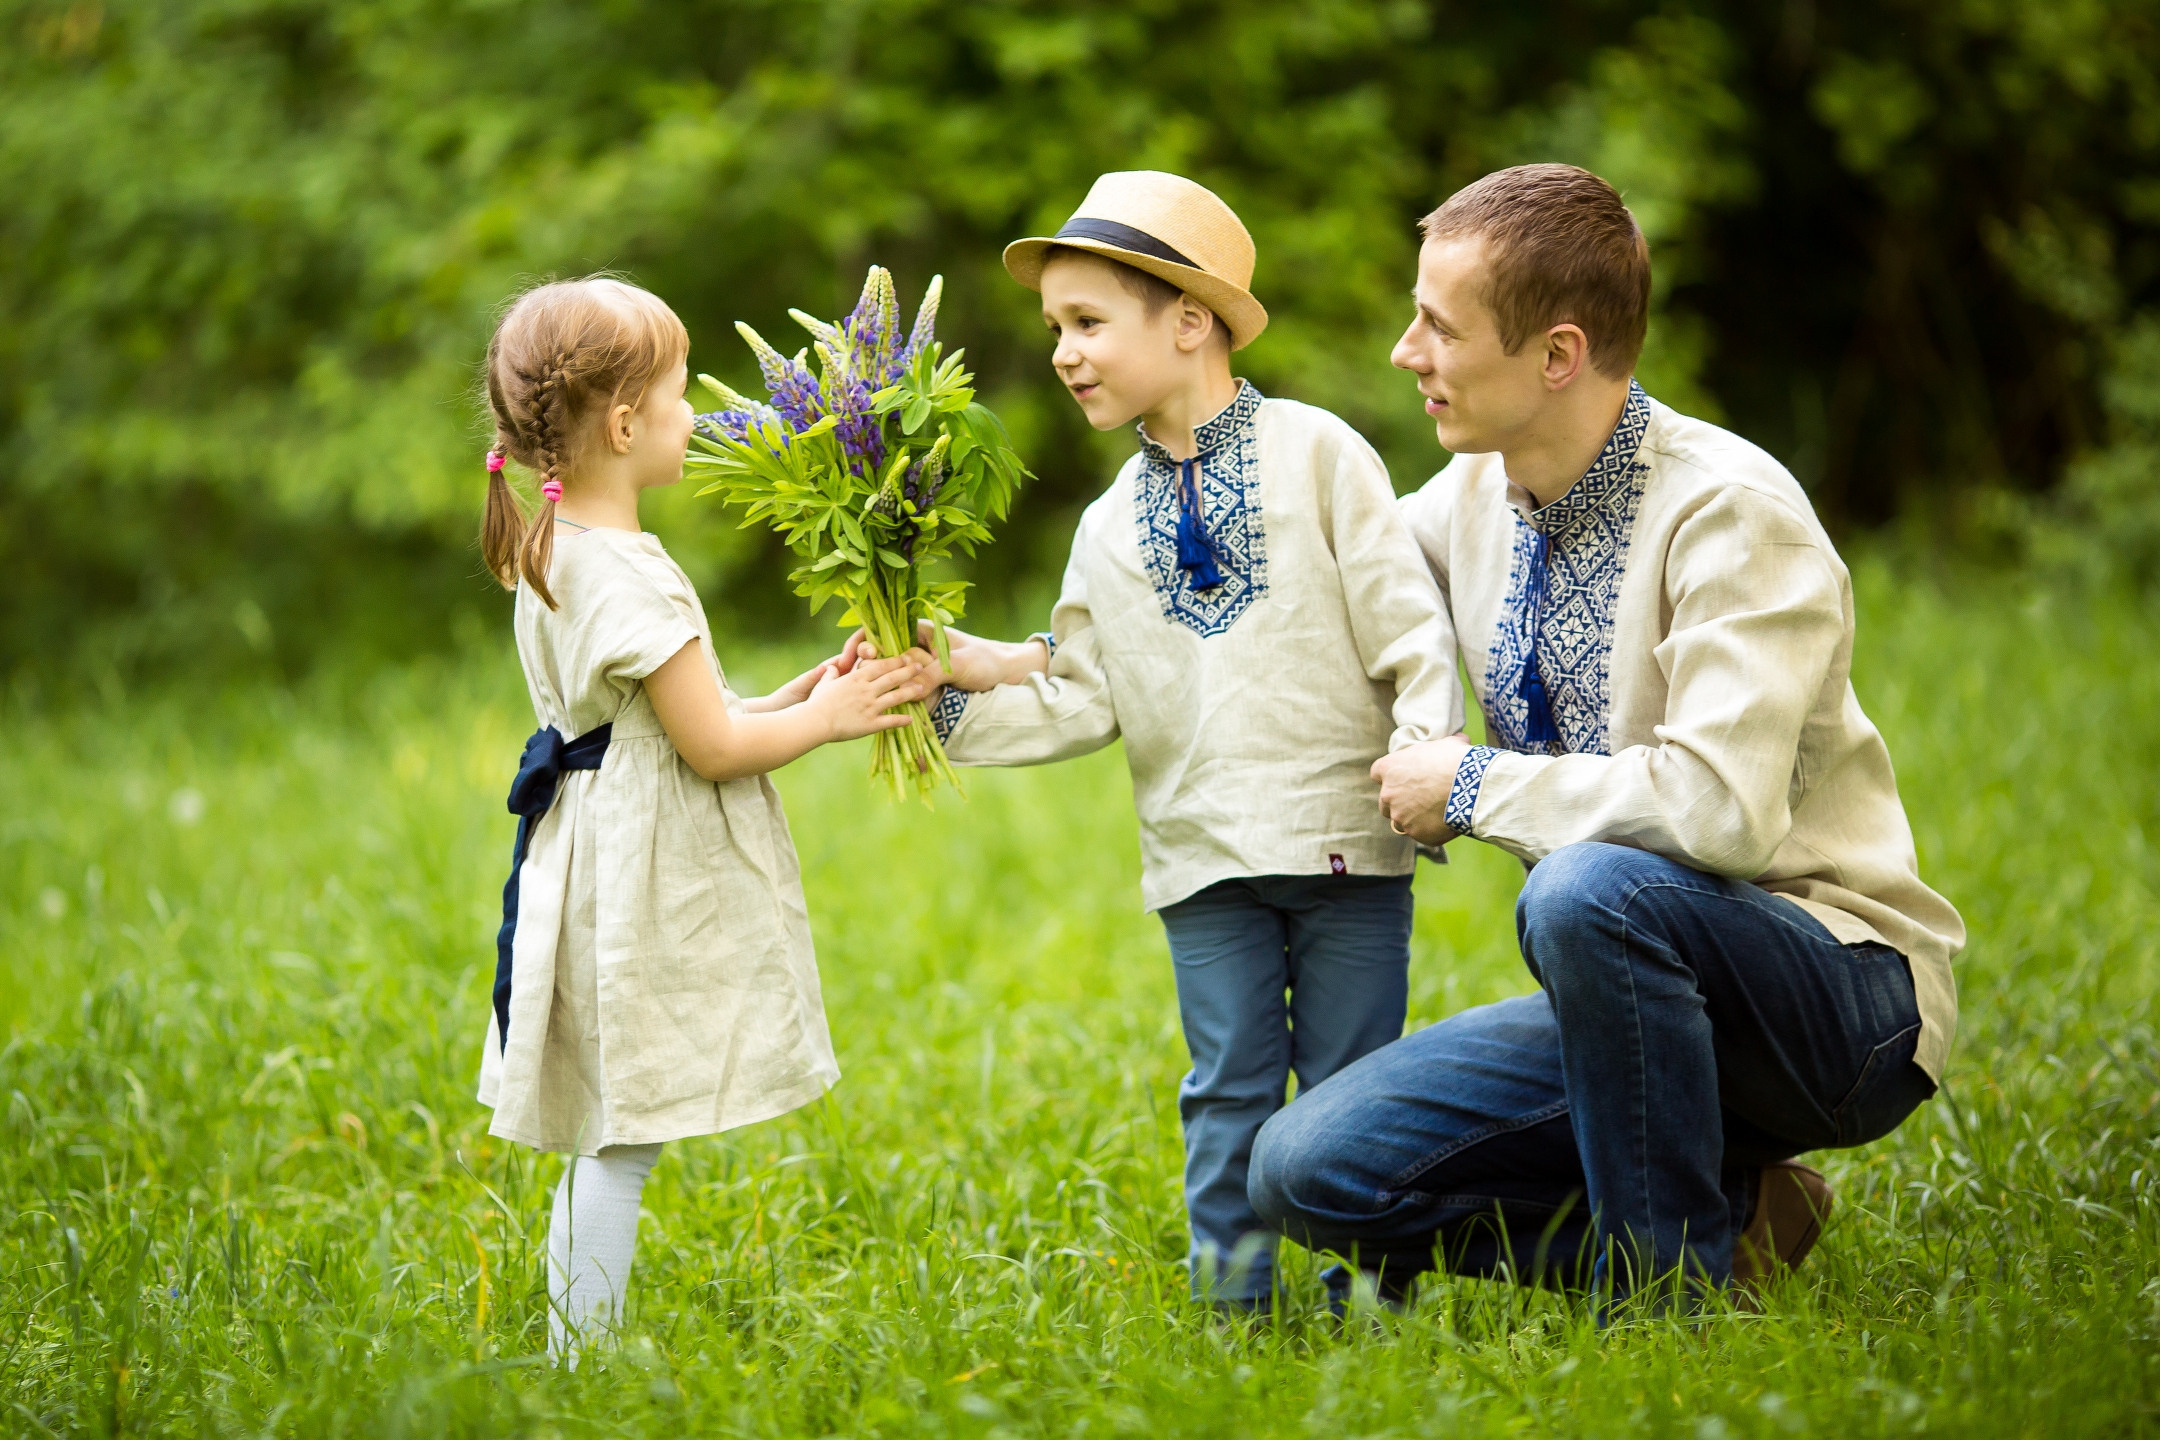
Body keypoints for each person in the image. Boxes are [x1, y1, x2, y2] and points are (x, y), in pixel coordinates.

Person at [1246, 164, 1966, 1313]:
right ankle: (1733, 1230)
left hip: (1839, 998)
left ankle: (1666, 1304)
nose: (1404, 351)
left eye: (1438, 324)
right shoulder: (1470, 496)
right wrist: (1026, 660)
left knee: (1588, 891)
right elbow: (1296, 603)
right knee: (1302, 1170)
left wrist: (1473, 782)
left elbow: (1719, 814)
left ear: (1558, 355)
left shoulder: (1736, 517)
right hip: (1631, 996)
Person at [861, 171, 1465, 1309]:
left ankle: (1378, 1306)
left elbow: (1407, 625)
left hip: (1346, 844)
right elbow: (1085, 693)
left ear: (1191, 321)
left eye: (1089, 323)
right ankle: (1236, 1308)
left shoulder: (1320, 454)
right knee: (1228, 1084)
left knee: (1358, 1088)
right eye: (1055, 329)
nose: (1064, 353)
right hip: (1201, 860)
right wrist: (933, 698)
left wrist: (1427, 748)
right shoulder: (1102, 529)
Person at [474, 277, 934, 1358]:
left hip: (587, 848)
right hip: (640, 871)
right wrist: (830, 720)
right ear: (626, 426)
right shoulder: (632, 577)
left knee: (607, 1127)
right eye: (682, 399)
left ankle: (571, 1337)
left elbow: (674, 718)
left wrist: (796, 694)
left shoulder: (553, 547)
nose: (699, 418)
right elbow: (711, 748)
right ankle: (580, 1353)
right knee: (622, 1133)